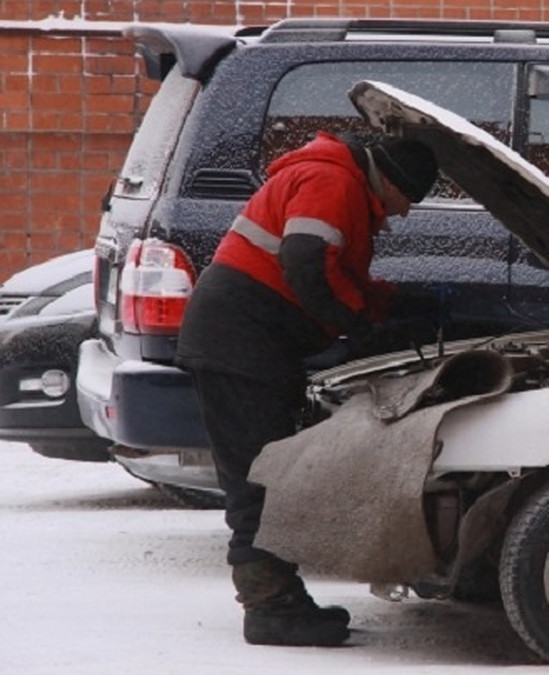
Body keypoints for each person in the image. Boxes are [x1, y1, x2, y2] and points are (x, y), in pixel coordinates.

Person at [175, 131, 439, 647]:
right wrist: (359, 323)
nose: (403, 214)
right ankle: (271, 608)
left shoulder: (336, 180)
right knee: (258, 478)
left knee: (269, 473)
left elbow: (327, 267)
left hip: (246, 340)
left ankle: (279, 599)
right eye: (408, 200)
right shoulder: (332, 179)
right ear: (392, 180)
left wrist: (391, 303)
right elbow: (305, 261)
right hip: (239, 340)